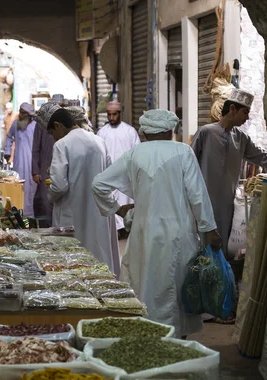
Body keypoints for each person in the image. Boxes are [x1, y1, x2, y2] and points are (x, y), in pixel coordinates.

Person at [91, 109, 221, 337]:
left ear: (145, 132)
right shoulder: (183, 152)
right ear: (171, 130)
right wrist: (209, 229)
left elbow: (99, 184)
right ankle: (177, 338)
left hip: (144, 232)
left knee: (146, 284)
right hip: (179, 233)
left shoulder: (134, 154)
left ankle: (147, 334)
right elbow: (198, 195)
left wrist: (118, 209)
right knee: (178, 286)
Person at [36, 103, 120, 276]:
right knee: (98, 260)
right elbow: (110, 177)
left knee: (74, 265)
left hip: (72, 214)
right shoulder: (99, 141)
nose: (53, 137)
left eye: (52, 133)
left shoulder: (62, 145)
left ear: (58, 126)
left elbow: (59, 186)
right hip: (98, 213)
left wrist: (51, 189)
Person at [191, 89, 267, 254]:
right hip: (203, 201)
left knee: (222, 247)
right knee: (200, 248)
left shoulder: (241, 138)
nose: (247, 118)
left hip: (227, 203)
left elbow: (262, 158)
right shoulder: (206, 132)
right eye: (245, 112)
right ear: (232, 109)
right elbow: (189, 165)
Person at [97, 101, 140, 238]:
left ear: (120, 114)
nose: (111, 118)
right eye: (109, 115)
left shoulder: (130, 131)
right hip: (109, 173)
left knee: (125, 200)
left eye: (114, 114)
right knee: (112, 200)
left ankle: (126, 228)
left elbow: (137, 152)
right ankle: (115, 230)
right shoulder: (101, 133)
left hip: (126, 173)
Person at [4, 102, 38, 217]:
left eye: (23, 113)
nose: (21, 115)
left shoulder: (35, 126)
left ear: (29, 115)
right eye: (20, 112)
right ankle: (19, 212)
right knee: (18, 185)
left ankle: (30, 215)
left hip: (31, 162)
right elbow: (9, 137)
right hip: (18, 161)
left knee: (31, 187)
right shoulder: (15, 124)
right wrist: (7, 152)